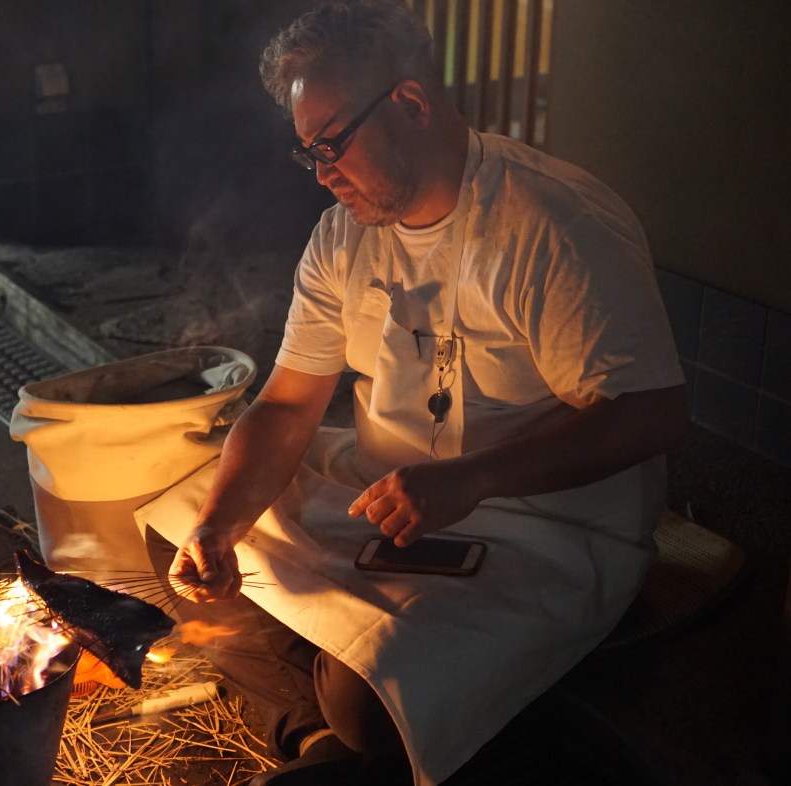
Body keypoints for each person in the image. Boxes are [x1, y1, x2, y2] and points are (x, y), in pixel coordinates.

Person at [144, 1, 689, 784]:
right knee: (181, 537)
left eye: (332, 144)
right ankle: (315, 735)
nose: (323, 173)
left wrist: (473, 478)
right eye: (308, 153)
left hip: (541, 529)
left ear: (409, 103)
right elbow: (289, 404)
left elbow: (652, 413)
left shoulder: (550, 224)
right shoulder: (343, 237)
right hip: (382, 495)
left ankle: (340, 707)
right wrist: (220, 524)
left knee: (371, 697)